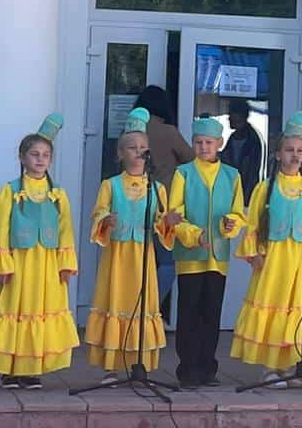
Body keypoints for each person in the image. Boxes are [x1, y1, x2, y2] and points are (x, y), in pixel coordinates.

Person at [230, 110, 302, 386]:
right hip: (274, 259)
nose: (295, 155)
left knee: (296, 308)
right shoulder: (265, 188)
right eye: (289, 150)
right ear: (278, 154)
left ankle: (290, 364)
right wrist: (254, 253)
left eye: (300, 151)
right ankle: (270, 367)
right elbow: (254, 223)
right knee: (274, 306)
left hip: (300, 258)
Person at [0, 113, 80, 388]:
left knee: (42, 310)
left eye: (46, 155)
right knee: (16, 308)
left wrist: (65, 263)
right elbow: (0, 227)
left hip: (47, 263)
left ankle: (32, 369)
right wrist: (1, 264)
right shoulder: (10, 191)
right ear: (22, 158)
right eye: (34, 154)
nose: (40, 159)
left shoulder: (58, 193)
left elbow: (65, 229)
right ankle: (10, 369)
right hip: (20, 261)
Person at [85, 106, 180, 379]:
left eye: (142, 148)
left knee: (142, 303)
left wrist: (168, 221)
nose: (138, 152)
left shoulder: (156, 188)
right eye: (131, 147)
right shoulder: (110, 185)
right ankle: (111, 366)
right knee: (115, 301)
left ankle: (140, 363)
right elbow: (98, 213)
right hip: (117, 256)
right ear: (120, 153)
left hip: (143, 255)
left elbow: (160, 221)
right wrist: (105, 220)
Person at [168, 114, 245, 389]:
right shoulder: (183, 173)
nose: (204, 147)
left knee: (211, 314)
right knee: (188, 313)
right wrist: (194, 235)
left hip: (217, 258)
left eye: (209, 142)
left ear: (220, 143)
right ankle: (187, 370)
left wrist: (230, 224)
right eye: (199, 142)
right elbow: (175, 214)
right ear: (193, 143)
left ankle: (207, 368)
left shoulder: (232, 176)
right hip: (190, 258)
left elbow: (238, 213)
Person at [135, 85, 193, 312]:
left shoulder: (132, 132)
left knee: (136, 262)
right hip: (163, 206)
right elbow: (192, 161)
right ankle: (149, 308)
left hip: (133, 202)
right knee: (167, 263)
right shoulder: (168, 132)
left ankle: (130, 308)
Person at [219, 98, 264, 205]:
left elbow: (251, 174)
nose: (229, 118)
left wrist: (244, 201)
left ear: (241, 116)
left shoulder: (253, 140)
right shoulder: (233, 137)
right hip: (232, 192)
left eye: (231, 114)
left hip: (246, 196)